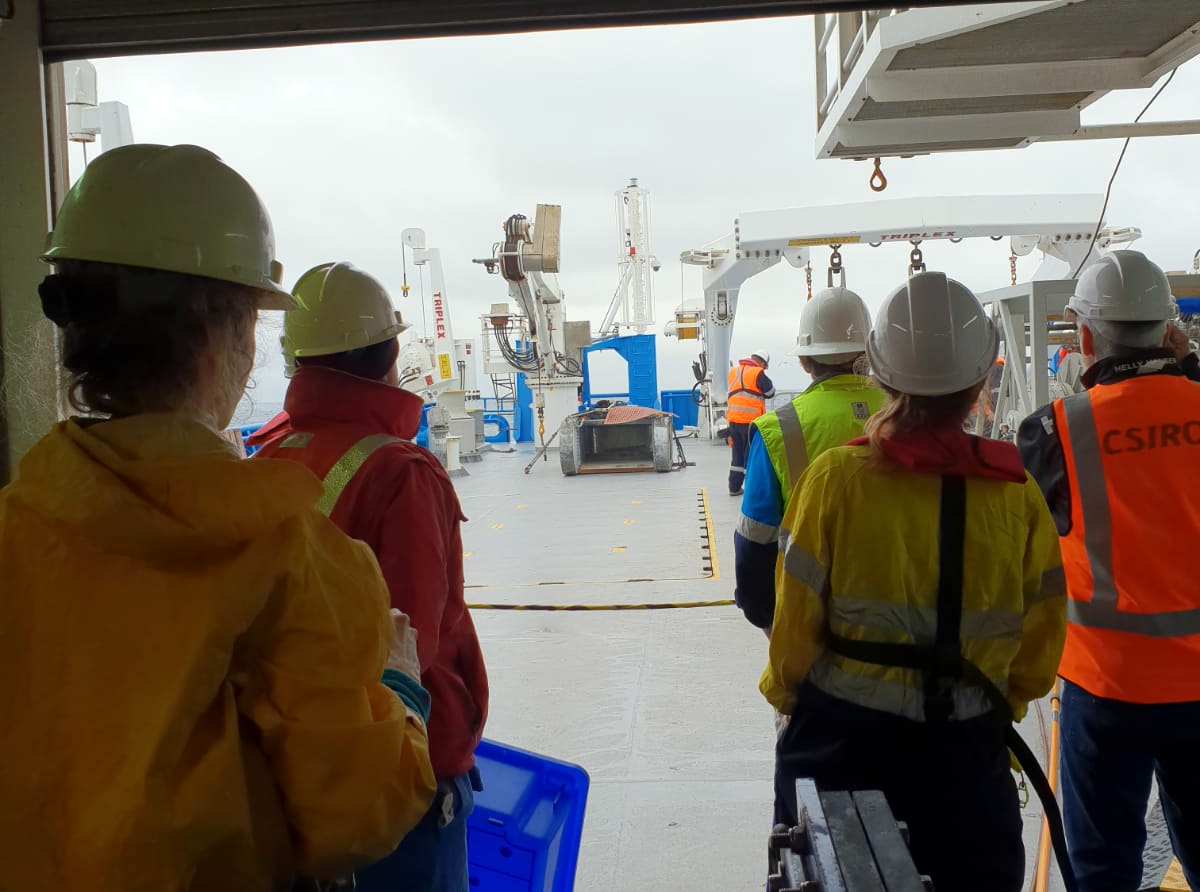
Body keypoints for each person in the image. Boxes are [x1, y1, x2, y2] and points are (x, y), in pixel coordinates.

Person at [0, 144, 437, 891]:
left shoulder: (19, 522)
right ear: (220, 337)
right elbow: (355, 817)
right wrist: (401, 691)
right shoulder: (292, 558)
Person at [764, 271, 1066, 892]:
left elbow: (792, 626)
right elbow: (1039, 647)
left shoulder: (835, 481)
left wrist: (788, 698)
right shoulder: (1016, 496)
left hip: (841, 751)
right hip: (965, 755)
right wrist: (991, 710)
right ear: (982, 380)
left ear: (879, 371)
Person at [248, 262, 489, 892]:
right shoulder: (400, 472)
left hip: (291, 766)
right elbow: (414, 646)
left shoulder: (265, 456)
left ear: (294, 360)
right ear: (390, 353)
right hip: (397, 774)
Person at [1016, 250, 1200, 892]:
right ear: (1169, 329)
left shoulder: (1052, 432)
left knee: (1102, 872)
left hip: (1108, 688)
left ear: (1085, 334)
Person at [734, 286, 883, 632]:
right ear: (870, 351)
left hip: (814, 618)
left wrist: (766, 616)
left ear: (804, 360)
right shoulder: (908, 412)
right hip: (909, 615)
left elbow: (755, 543)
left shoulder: (778, 430)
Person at [726, 349, 775, 495]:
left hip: (733, 421)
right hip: (750, 423)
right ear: (761, 362)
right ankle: (752, 490)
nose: (764, 369)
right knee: (751, 456)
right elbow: (770, 392)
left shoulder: (733, 371)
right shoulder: (757, 373)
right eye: (765, 366)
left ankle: (734, 488)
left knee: (737, 457)